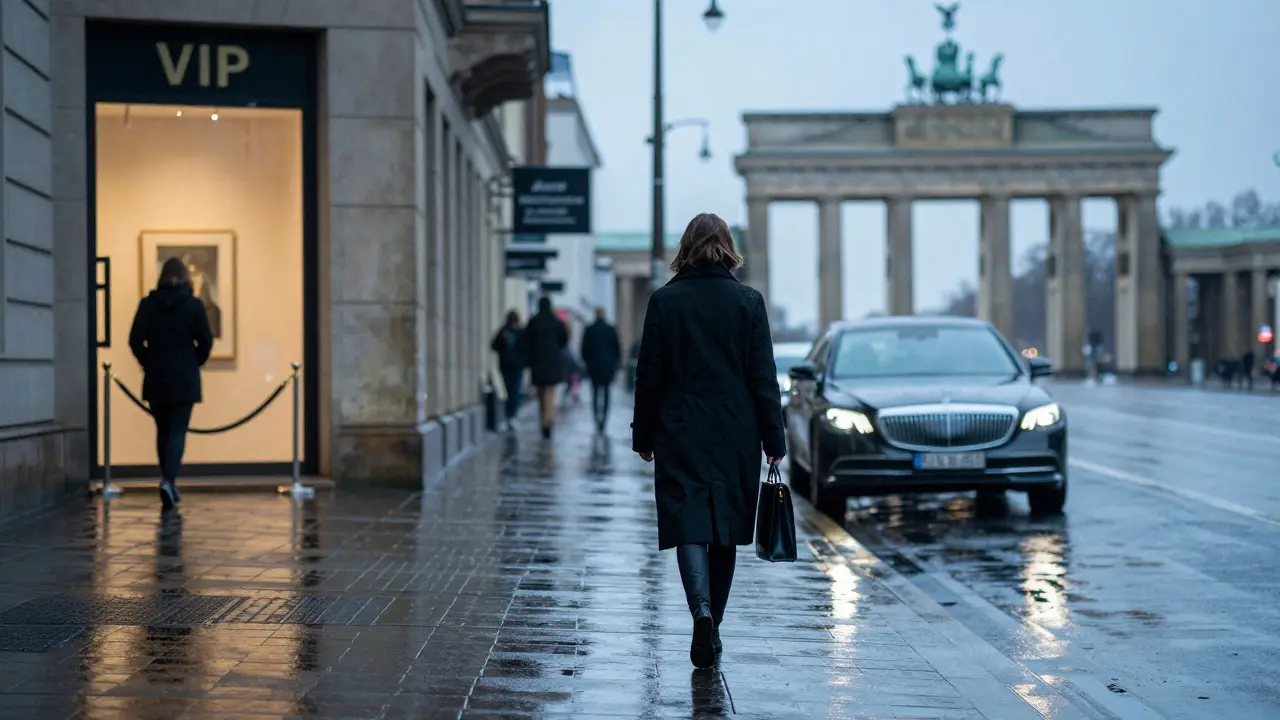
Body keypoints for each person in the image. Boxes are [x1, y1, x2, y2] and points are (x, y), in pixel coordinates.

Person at [631, 212, 786, 669]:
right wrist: (773, 435)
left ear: (686, 247)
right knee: (725, 532)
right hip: (736, 430)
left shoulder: (665, 301)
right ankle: (713, 625)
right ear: (727, 247)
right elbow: (764, 377)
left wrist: (644, 434)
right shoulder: (748, 301)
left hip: (680, 428)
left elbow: (649, 375)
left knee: (689, 523)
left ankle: (699, 613)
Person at [128, 257, 214, 510]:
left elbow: (134, 340)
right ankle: (169, 481)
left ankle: (167, 481)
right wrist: (192, 362)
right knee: (177, 430)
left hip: (156, 377)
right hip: (184, 378)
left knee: (162, 430)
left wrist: (148, 361)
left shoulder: (148, 305)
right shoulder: (194, 306)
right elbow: (206, 341)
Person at [519, 296, 569, 439]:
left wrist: (529, 356)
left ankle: (544, 420)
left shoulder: (534, 322)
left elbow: (524, 340)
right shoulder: (557, 322)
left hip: (538, 363)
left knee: (541, 393)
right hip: (553, 363)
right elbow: (564, 340)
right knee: (550, 393)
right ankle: (547, 421)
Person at [581, 306, 622, 433]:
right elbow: (617, 349)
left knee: (594, 393)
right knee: (606, 393)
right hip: (607, 368)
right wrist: (615, 364)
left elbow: (584, 350)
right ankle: (603, 420)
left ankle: (596, 419)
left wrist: (587, 362)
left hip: (593, 367)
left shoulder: (589, 330)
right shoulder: (610, 329)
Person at [490, 311, 525, 430]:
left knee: (514, 392)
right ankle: (510, 416)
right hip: (508, 367)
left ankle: (511, 415)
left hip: (514, 366)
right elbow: (494, 346)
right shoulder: (510, 332)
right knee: (511, 392)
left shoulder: (516, 333)